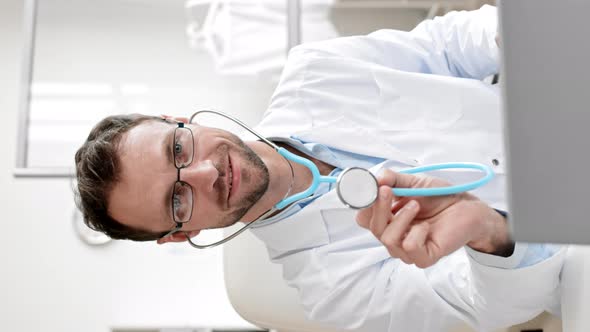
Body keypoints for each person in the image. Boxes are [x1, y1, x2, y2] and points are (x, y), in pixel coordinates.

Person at [74, 5, 565, 332]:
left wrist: (510, 33)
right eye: (176, 200)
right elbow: (492, 308)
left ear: (179, 121)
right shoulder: (336, 295)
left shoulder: (316, 70)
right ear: (180, 235)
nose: (204, 174)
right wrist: (491, 234)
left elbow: (447, 46)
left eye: (177, 150)